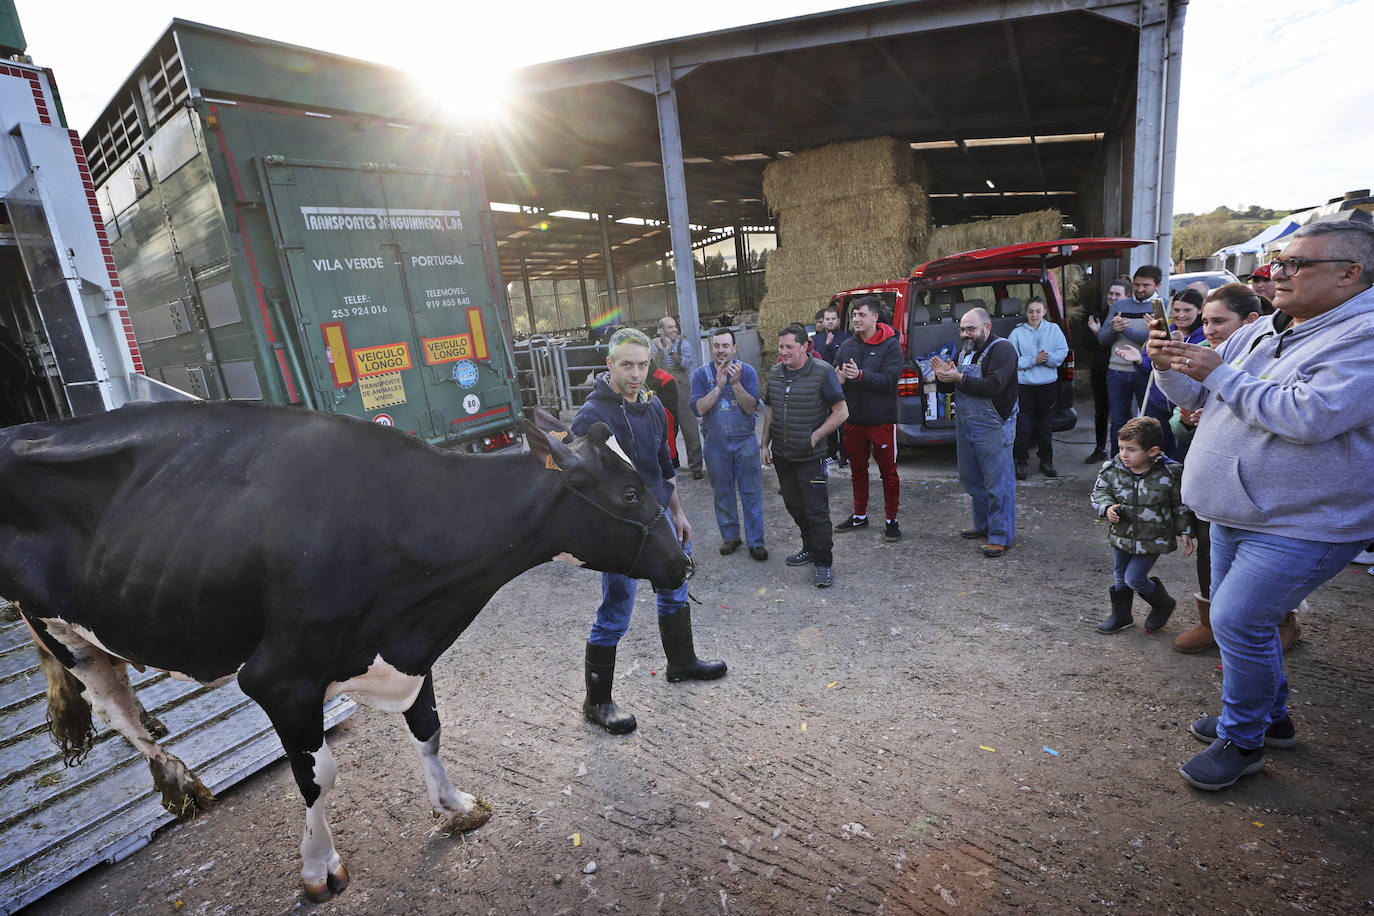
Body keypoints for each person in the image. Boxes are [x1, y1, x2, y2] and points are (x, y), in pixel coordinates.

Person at [1148, 219, 1374, 790]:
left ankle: (1243, 740)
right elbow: (1202, 395)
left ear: (1351, 273)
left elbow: (1310, 416)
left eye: (1297, 264)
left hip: (1303, 522)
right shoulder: (1266, 330)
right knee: (1248, 625)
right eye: (1279, 261)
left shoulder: (1363, 338)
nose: (1277, 273)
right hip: (1234, 511)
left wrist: (1219, 372)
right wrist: (1168, 367)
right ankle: (1270, 720)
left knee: (1238, 620)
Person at [573, 327, 725, 735]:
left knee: (675, 582)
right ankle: (597, 701)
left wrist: (679, 513)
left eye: (642, 365)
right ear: (609, 365)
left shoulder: (654, 408)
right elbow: (573, 483)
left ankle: (681, 662)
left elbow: (665, 468)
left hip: (658, 518)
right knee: (617, 609)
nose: (636, 374)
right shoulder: (591, 417)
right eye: (627, 365)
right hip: (619, 529)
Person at [1167, 284, 1261, 654]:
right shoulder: (1210, 355)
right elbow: (1181, 416)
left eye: (1219, 321)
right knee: (1209, 551)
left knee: (1257, 569)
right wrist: (1190, 421)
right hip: (1213, 485)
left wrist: (1221, 417)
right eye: (1205, 321)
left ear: (1252, 321)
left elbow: (1285, 417)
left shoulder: (1271, 358)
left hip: (1254, 488)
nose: (1209, 330)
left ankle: (1277, 624)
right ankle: (1212, 622)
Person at [761, 323, 849, 588]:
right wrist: (764, 444)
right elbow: (770, 411)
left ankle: (823, 563)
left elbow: (841, 412)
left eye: (789, 346)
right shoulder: (776, 373)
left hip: (811, 458)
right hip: (783, 457)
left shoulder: (822, 373)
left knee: (817, 511)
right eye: (780, 347)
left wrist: (816, 435)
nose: (783, 352)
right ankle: (809, 547)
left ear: (804, 346)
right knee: (794, 506)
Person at [1090, 416, 1195, 634]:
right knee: (1119, 574)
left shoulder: (1169, 473)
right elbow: (1099, 492)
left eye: (1131, 449)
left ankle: (1163, 603)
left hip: (1153, 538)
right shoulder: (1112, 469)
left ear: (1152, 451)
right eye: (1121, 448)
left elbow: (1180, 504)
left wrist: (1185, 530)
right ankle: (1121, 616)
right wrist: (1107, 507)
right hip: (1121, 534)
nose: (1124, 454)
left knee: (1133, 578)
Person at [930, 307, 1018, 558]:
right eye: (962, 329)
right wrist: (943, 378)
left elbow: (994, 386)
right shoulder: (965, 352)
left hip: (993, 425)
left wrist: (958, 378)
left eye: (971, 329)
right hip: (967, 423)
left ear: (987, 328)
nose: (965, 334)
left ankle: (1001, 535)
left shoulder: (1002, 350)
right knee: (970, 478)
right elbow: (951, 390)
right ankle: (982, 525)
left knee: (998, 483)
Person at [690, 328, 767, 562]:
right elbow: (699, 409)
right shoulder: (701, 375)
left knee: (751, 493)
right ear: (711, 348)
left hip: (744, 442)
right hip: (715, 445)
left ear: (734, 348)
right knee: (722, 493)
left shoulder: (748, 372)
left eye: (725, 345)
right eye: (717, 346)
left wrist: (734, 384)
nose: (721, 350)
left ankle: (756, 541)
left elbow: (751, 407)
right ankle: (731, 537)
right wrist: (717, 386)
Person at [833, 296, 903, 541]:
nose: (856, 319)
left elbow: (889, 381)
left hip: (881, 421)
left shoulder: (891, 345)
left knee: (888, 473)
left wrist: (861, 375)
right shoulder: (847, 345)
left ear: (875, 317)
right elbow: (836, 373)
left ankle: (891, 520)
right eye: (854, 315)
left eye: (861, 315)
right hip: (853, 422)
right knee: (857, 472)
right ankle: (859, 515)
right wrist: (839, 379)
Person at [1115, 288, 1205, 461]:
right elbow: (1148, 368)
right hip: (1157, 402)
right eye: (1176, 310)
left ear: (1200, 310)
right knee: (1156, 451)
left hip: (1186, 407)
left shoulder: (1205, 336)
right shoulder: (1162, 332)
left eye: (1187, 310)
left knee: (1184, 454)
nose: (1180, 315)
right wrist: (1139, 360)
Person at [1099, 266, 1161, 448]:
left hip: (1146, 372)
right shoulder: (1120, 305)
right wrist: (1112, 329)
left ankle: (1147, 464)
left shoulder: (1161, 305)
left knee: (1149, 423)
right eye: (1137, 284)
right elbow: (1102, 338)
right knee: (1118, 421)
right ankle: (1118, 464)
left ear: (1157, 285)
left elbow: (1159, 339)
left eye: (1146, 285)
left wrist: (1127, 330)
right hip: (1117, 370)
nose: (1140, 289)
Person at [1009, 296, 1069, 478]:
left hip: (1047, 385)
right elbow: (1011, 360)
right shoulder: (1017, 333)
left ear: (1044, 312)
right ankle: (1021, 460)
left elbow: (1063, 352)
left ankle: (1046, 459)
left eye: (1038, 311)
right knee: (1023, 425)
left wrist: (1048, 358)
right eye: (1030, 311)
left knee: (1046, 424)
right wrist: (1033, 360)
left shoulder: (1054, 330)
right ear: (1025, 313)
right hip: (1025, 385)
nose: (1034, 315)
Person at [651, 315, 704, 479]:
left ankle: (696, 468)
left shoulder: (683, 344)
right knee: (666, 431)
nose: (674, 330)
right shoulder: (654, 346)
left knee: (690, 430)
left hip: (683, 392)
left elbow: (687, 364)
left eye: (675, 327)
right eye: (670, 327)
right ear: (661, 330)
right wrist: (660, 350)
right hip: (664, 393)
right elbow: (654, 366)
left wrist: (671, 350)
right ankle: (671, 465)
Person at [1084, 277, 1129, 463]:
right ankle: (1100, 448)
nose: (1112, 297)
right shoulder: (1097, 316)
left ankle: (1123, 451)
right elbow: (1086, 345)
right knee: (1101, 412)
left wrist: (1102, 332)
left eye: (1117, 294)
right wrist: (1096, 332)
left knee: (1121, 414)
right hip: (1100, 370)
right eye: (1110, 293)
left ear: (1127, 296)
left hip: (1123, 371)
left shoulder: (1130, 317)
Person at [812, 305, 849, 465]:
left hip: (840, 384)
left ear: (838, 321)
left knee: (842, 421)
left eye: (833, 319)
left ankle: (845, 454)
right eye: (827, 319)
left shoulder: (845, 338)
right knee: (827, 419)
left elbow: (844, 359)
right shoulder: (815, 339)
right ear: (823, 321)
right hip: (821, 384)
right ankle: (831, 452)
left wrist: (830, 347)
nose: (830, 322)